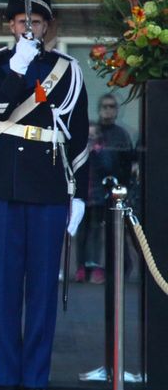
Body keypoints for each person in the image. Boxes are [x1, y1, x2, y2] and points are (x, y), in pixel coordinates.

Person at [0, 0, 89, 390]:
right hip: (4, 182)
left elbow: (77, 134)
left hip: (47, 184)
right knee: (4, 285)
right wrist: (18, 67)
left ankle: (36, 379)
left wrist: (78, 193)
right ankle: (7, 379)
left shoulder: (66, 68)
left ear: (49, 26)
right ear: (10, 24)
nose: (31, 30)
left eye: (38, 23)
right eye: (24, 21)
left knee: (43, 286)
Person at [75, 93, 133, 284]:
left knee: (107, 233)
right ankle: (84, 266)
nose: (108, 110)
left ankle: (114, 267)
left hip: (110, 191)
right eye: (105, 106)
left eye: (112, 107)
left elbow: (126, 163)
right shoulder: (92, 131)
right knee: (85, 232)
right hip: (88, 192)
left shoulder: (121, 134)